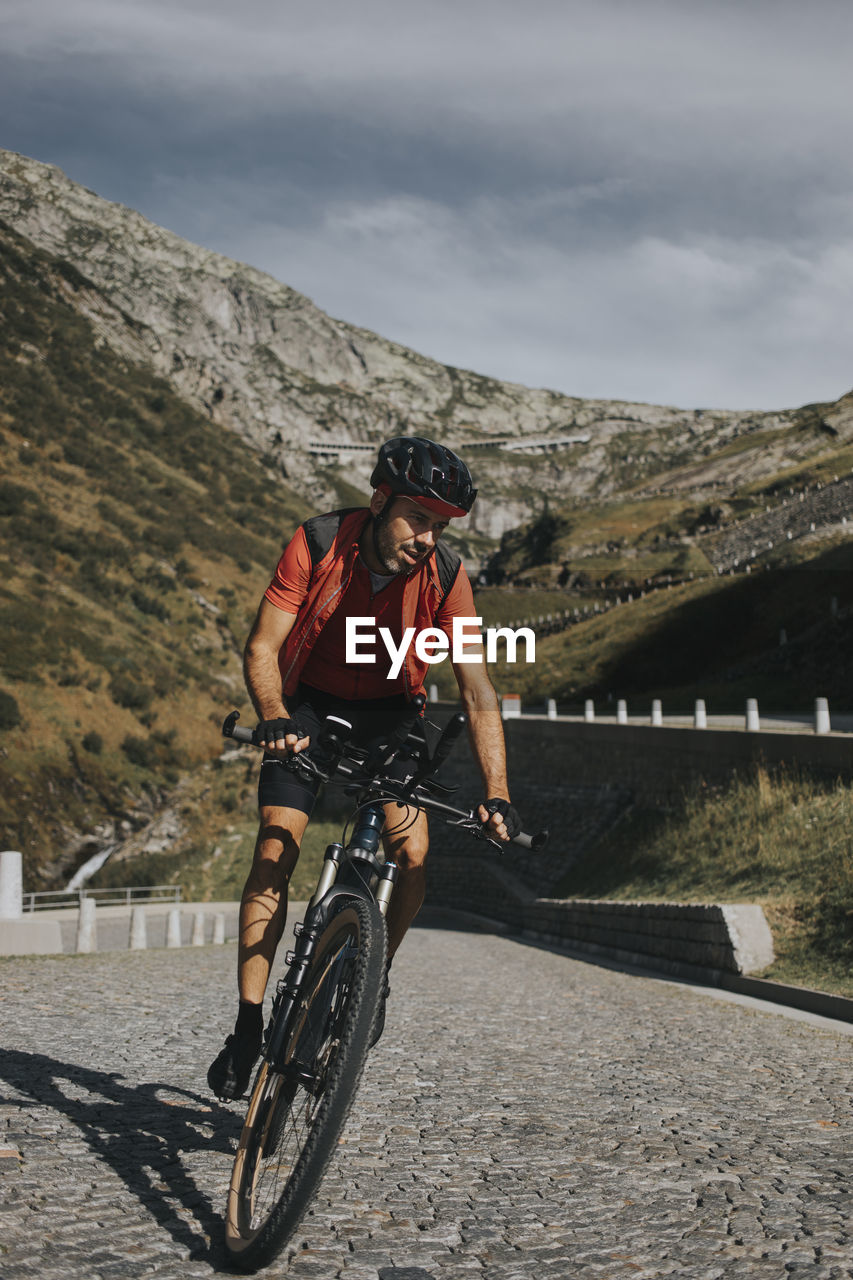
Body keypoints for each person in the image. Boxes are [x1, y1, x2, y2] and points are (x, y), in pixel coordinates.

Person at [208, 436, 520, 1100]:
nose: (428, 538)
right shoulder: (318, 542)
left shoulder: (447, 575)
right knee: (275, 847)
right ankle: (246, 1023)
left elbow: (477, 689)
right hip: (308, 708)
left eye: (440, 526)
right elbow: (264, 645)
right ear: (380, 501)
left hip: (392, 714)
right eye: (418, 518)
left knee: (414, 852)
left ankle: (369, 978)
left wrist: (497, 792)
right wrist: (273, 713)